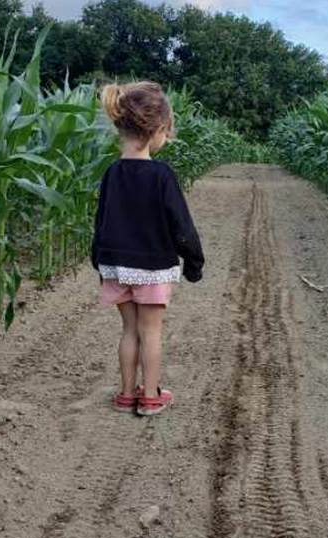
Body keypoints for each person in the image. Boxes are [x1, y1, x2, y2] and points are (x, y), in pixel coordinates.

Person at [91, 81, 204, 417]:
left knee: (129, 331)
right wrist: (193, 261)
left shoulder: (112, 173)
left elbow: (101, 221)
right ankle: (152, 395)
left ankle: (127, 394)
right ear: (157, 130)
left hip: (116, 266)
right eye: (166, 132)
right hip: (153, 267)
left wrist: (99, 259)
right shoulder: (161, 175)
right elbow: (180, 224)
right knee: (150, 332)